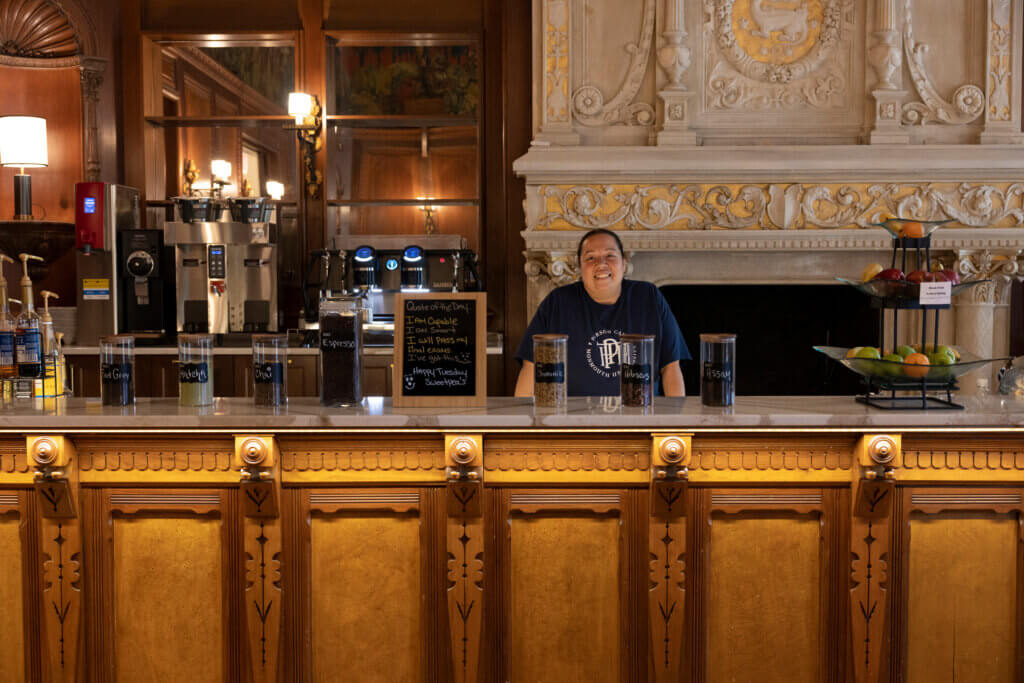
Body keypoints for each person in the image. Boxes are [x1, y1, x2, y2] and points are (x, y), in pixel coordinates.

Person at [514, 228, 689, 397]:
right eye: (590, 258)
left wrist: (676, 425)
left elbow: (671, 368)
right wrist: (522, 423)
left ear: (624, 263)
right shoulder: (557, 302)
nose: (601, 264)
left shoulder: (649, 297)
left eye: (610, 255)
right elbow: (531, 368)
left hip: (640, 417)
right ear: (580, 268)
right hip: (572, 420)